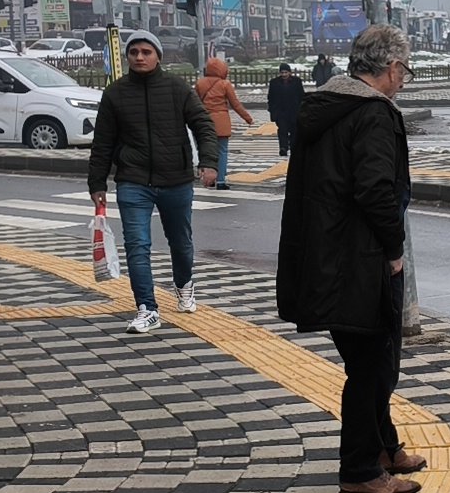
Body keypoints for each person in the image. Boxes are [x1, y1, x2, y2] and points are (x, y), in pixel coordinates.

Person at [277, 24, 423, 493]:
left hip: (325, 253)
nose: (403, 80)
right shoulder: (373, 113)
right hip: (361, 259)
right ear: (390, 68)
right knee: (372, 366)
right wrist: (394, 248)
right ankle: (360, 469)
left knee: (369, 359)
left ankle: (384, 446)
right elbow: (376, 190)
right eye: (404, 71)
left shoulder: (325, 105)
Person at [87, 31, 219, 335]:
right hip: (133, 180)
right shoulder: (115, 93)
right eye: (134, 52)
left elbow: (203, 124)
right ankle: (147, 308)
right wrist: (97, 183)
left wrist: (209, 162)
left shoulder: (176, 88)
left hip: (175, 179)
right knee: (137, 245)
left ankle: (184, 284)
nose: (139, 57)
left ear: (158, 56)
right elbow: (103, 142)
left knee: (181, 242)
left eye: (146, 52)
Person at [195, 57, 254, 189]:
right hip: (221, 123)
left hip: (204, 123)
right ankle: (221, 181)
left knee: (206, 152)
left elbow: (195, 104)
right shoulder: (225, 84)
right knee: (222, 151)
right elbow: (235, 104)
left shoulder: (200, 83)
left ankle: (208, 180)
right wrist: (247, 118)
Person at [268, 63, 304, 157]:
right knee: (282, 130)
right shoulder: (274, 82)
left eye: (286, 72)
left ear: (289, 72)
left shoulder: (296, 81)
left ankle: (293, 147)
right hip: (281, 112)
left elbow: (301, 96)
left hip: (294, 111)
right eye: (282, 72)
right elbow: (271, 98)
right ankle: (283, 147)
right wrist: (272, 111)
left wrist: (301, 109)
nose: (284, 74)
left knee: (294, 131)